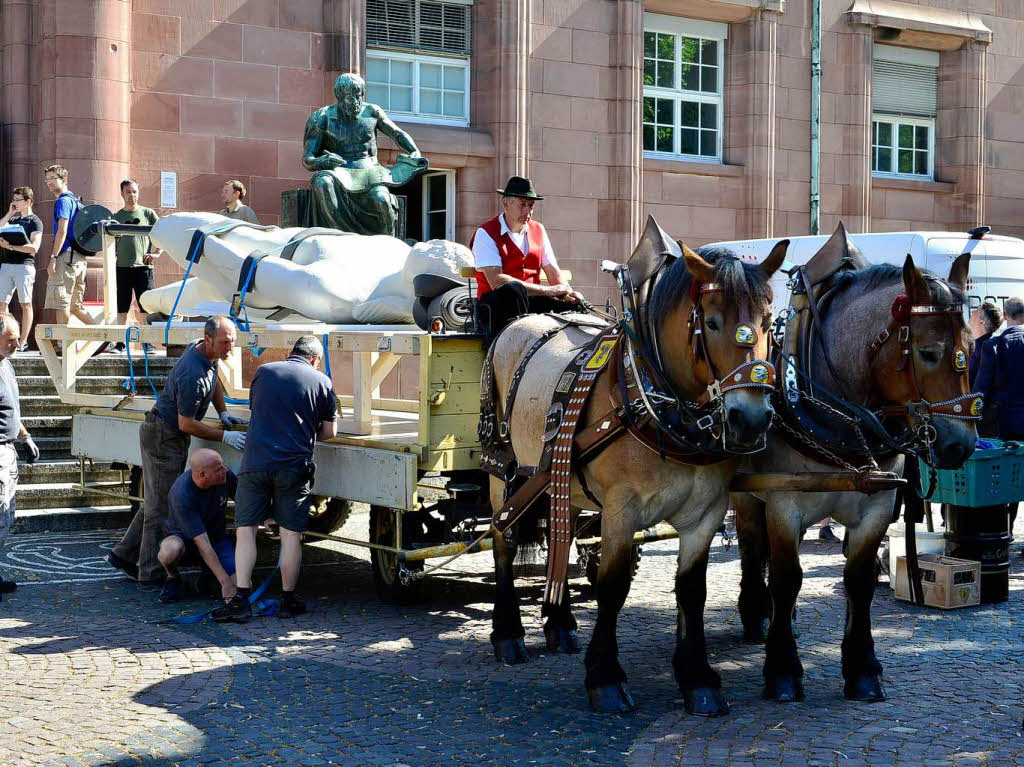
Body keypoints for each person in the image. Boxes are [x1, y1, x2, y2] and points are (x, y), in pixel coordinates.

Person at [106, 316, 247, 583]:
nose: (230, 348)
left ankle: (123, 554)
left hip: (168, 434)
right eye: (225, 342)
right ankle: (150, 572)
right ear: (208, 340)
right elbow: (186, 423)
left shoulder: (206, 351)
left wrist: (223, 411)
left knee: (156, 501)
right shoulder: (193, 373)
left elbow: (215, 376)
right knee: (160, 508)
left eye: (232, 342)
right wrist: (224, 436)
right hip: (164, 436)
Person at [213, 336, 337, 622]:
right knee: (291, 534)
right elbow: (329, 432)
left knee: (246, 530)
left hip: (255, 462)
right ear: (315, 360)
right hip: (294, 465)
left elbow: (260, 412)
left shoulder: (264, 372)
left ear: (290, 353)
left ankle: (241, 599)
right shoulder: (322, 382)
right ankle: (287, 599)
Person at [302, 72, 426, 236]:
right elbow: (308, 159)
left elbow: (397, 134)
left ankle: (388, 242)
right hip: (338, 173)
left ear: (362, 94)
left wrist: (414, 151)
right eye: (347, 98)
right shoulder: (321, 118)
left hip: (370, 173)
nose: (353, 102)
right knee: (322, 182)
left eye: (357, 96)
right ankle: (339, 236)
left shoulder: (372, 112)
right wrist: (322, 161)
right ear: (338, 97)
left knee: (381, 199)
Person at [471, 176, 584, 342]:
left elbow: (552, 270)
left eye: (531, 205)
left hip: (531, 301)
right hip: (496, 306)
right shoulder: (485, 232)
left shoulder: (538, 229)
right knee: (512, 289)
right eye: (522, 204)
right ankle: (516, 345)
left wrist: (568, 292)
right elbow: (497, 280)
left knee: (573, 306)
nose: (528, 210)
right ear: (506, 204)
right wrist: (548, 291)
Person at [156, 449, 238, 604]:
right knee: (168, 552)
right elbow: (203, 544)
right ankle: (173, 577)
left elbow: (245, 503)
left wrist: (266, 517)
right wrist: (226, 584)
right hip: (185, 539)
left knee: (241, 587)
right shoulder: (182, 494)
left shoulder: (225, 476)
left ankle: (209, 576)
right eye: (219, 469)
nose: (225, 470)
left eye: (223, 466)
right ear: (202, 475)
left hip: (216, 538)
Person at [974, 296, 1024, 533]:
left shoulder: (992, 346)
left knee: (1006, 479)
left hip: (1004, 424)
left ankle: (1006, 530)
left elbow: (981, 390)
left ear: (1005, 316)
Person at [0, 313, 39, 597]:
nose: (16, 343)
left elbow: (11, 409)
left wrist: (25, 436)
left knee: (6, 516)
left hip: (9, 449)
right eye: (11, 339)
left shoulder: (7, 366)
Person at [42, 165, 96, 327]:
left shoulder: (63, 201)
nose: (49, 182)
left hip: (66, 257)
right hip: (79, 259)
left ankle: (62, 344)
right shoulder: (74, 200)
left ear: (64, 180)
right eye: (47, 179)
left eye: (53, 178)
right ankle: (106, 337)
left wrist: (53, 257)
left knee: (61, 302)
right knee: (75, 306)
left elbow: (62, 231)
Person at [112, 179, 160, 353]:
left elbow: (163, 234)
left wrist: (156, 253)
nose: (131, 195)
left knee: (145, 308)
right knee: (121, 308)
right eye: (128, 192)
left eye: (134, 192)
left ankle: (147, 343)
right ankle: (119, 344)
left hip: (143, 268)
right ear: (122, 194)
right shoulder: (116, 217)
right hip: (122, 268)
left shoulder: (148, 213)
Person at [0, 186, 42, 351]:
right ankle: (4, 339)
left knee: (25, 304)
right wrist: (10, 213)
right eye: (14, 199)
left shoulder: (35, 221)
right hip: (7, 266)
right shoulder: (13, 220)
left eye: (18, 200)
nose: (14, 203)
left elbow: (33, 248)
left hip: (24, 266)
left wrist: (10, 246)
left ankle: (22, 341)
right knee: (2, 304)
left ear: (28, 201)